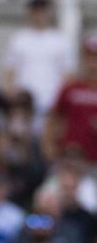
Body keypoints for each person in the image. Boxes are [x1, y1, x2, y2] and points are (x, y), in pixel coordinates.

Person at [3, 0, 71, 120]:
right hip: (24, 102)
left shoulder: (61, 40)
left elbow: (67, 74)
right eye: (36, 10)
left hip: (51, 101)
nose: (39, 14)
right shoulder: (18, 38)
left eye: (43, 10)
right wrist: (11, 95)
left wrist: (62, 102)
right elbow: (9, 70)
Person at [43, 33, 97, 162]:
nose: (93, 62)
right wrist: (48, 146)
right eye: (90, 56)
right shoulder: (70, 88)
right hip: (69, 161)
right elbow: (53, 118)